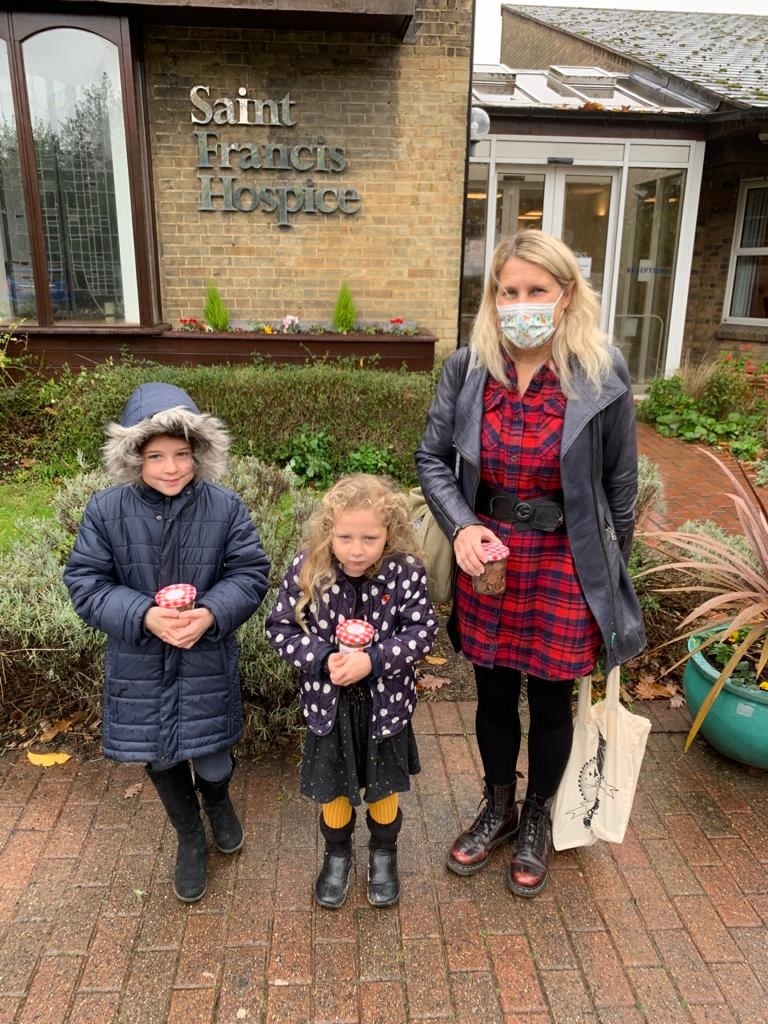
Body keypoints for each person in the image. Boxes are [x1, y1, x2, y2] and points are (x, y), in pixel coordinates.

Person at [415, 229, 645, 898]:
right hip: (488, 556)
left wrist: (607, 581)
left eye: (536, 291)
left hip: (566, 564)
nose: (521, 304)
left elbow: (620, 490)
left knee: (548, 701)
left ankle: (539, 815)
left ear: (566, 295)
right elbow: (432, 459)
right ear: (493, 298)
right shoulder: (467, 368)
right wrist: (460, 528)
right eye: (508, 291)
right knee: (490, 693)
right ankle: (497, 805)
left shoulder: (601, 373)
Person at [64, 382, 270, 903]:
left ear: (199, 452)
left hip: (205, 656)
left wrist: (210, 614)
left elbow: (249, 572)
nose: (172, 467)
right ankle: (188, 836)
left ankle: (218, 801)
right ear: (134, 458)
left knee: (215, 757)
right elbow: (86, 582)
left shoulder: (224, 507)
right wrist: (143, 615)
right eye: (156, 456)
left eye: (182, 454)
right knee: (160, 758)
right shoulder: (107, 511)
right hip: (140, 661)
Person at [265, 474, 438, 909]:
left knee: (383, 785)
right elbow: (280, 628)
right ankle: (337, 853)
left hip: (387, 704)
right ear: (329, 531)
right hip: (329, 704)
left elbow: (422, 631)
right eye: (345, 536)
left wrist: (374, 660)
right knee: (334, 785)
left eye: (369, 537)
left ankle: (384, 852)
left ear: (390, 533)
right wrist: (323, 659)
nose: (356, 548)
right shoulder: (311, 569)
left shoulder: (405, 572)